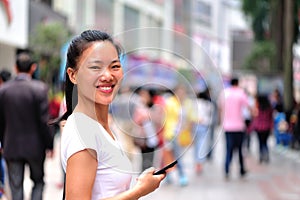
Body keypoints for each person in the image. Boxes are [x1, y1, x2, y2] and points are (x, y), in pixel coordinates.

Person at [56, 30, 165, 199]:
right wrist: (139, 191)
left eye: (114, 66)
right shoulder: (83, 130)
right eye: (95, 67)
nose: (107, 75)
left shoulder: (101, 126)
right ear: (73, 75)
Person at [0, 52, 54, 200]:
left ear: (15, 68)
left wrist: (2, 143)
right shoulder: (40, 89)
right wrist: (50, 144)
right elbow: (45, 121)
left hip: (11, 146)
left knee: (15, 185)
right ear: (33, 68)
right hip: (35, 148)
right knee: (38, 182)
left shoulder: (4, 90)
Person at [219, 77, 248, 179]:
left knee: (228, 149)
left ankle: (227, 169)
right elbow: (248, 107)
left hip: (227, 127)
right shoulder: (241, 93)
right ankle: (241, 169)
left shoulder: (224, 93)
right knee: (240, 149)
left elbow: (220, 108)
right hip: (239, 126)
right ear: (238, 83)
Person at [250, 95, 273, 163]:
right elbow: (271, 118)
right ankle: (266, 155)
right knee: (265, 142)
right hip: (267, 127)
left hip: (259, 127)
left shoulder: (258, 108)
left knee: (260, 142)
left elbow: (255, 117)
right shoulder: (269, 108)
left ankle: (261, 156)